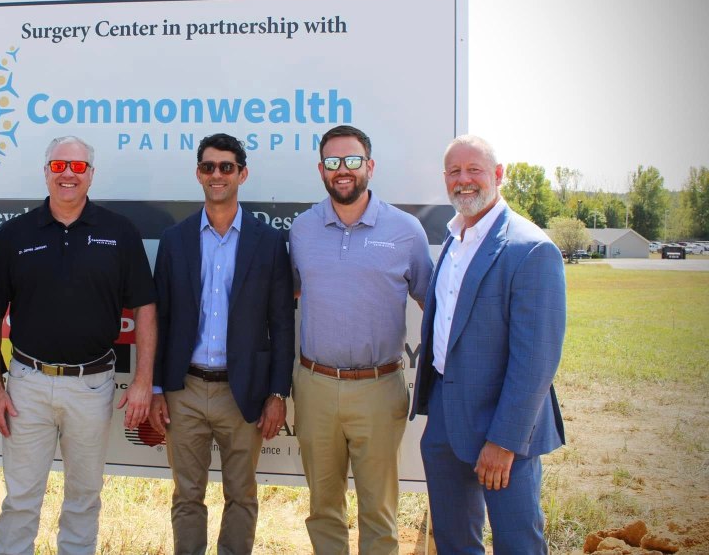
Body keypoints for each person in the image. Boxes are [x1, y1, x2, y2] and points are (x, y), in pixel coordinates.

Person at [0, 135, 156, 555]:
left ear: (91, 175)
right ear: (46, 171)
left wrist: (143, 381)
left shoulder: (119, 232)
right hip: (26, 385)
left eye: (78, 167)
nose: (68, 175)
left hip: (92, 385)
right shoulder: (14, 234)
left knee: (84, 498)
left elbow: (146, 309)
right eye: (59, 166)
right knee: (21, 500)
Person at [411, 135, 566, 554]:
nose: (463, 180)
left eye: (474, 170)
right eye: (454, 172)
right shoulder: (454, 239)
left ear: (498, 175)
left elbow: (537, 360)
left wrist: (505, 441)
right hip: (445, 420)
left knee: (517, 543)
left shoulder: (531, 248)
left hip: (503, 425)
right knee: (454, 542)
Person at [289, 124, 432, 555]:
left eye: (352, 160)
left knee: (380, 514)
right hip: (315, 386)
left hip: (379, 387)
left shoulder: (406, 230)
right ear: (321, 170)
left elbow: (434, 305)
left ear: (370, 165)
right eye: (333, 162)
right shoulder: (302, 229)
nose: (343, 170)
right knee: (323, 510)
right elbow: (289, 296)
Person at [149, 133, 295, 555]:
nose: (217, 174)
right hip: (185, 390)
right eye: (209, 166)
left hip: (243, 390)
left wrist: (277, 393)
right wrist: (156, 387)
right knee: (186, 495)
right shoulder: (175, 239)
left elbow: (282, 323)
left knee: (242, 495)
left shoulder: (269, 242)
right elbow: (160, 319)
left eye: (226, 167)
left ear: (242, 174)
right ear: (198, 174)